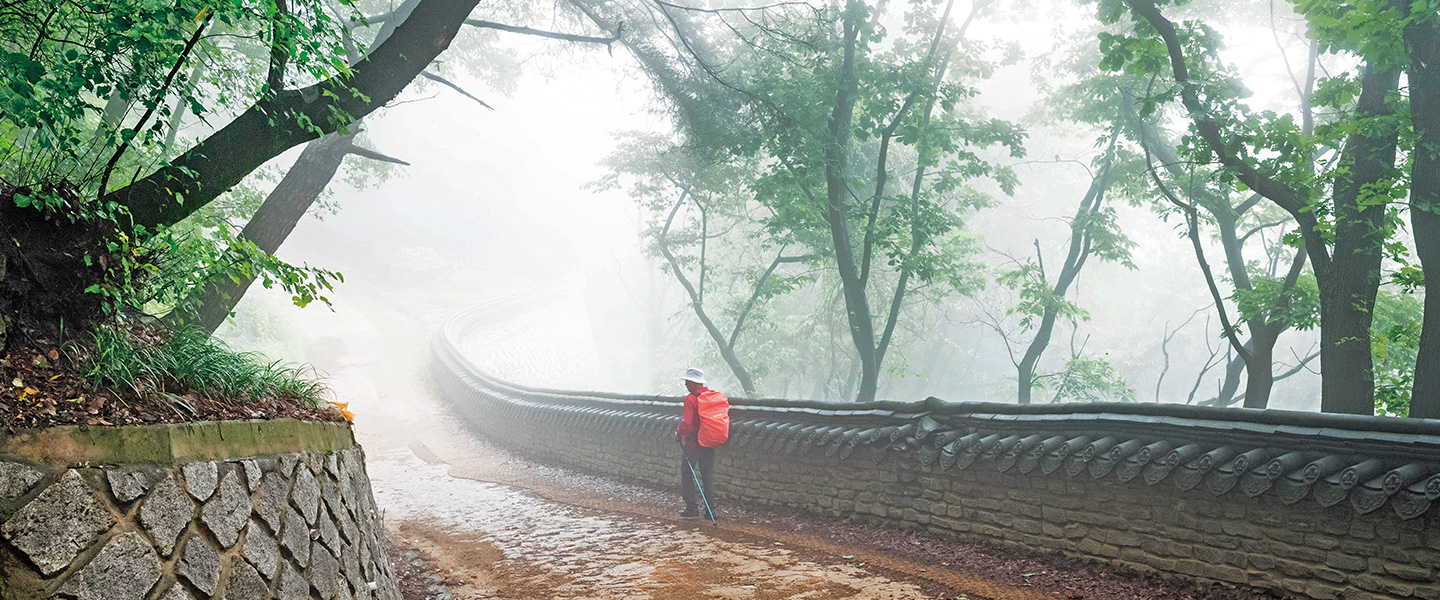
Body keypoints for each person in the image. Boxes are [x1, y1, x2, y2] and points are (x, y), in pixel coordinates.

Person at [675, 367, 727, 518]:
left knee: (687, 473)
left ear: (693, 382)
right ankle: (710, 511)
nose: (685, 384)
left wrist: (679, 434)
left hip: (692, 444)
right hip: (709, 441)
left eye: (687, 381)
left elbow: (688, 423)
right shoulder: (713, 396)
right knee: (708, 477)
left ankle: (692, 508)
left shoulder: (691, 399)